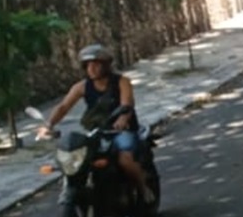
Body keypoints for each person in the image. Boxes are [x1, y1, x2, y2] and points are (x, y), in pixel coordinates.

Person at [36, 44, 155, 204]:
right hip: (97, 132)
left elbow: (127, 103)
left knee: (124, 160)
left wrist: (122, 119)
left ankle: (143, 188)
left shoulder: (121, 82)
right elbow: (63, 107)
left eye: (96, 64)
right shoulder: (82, 87)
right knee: (83, 161)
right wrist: (49, 125)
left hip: (121, 131)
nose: (91, 69)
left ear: (106, 65)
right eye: (88, 65)